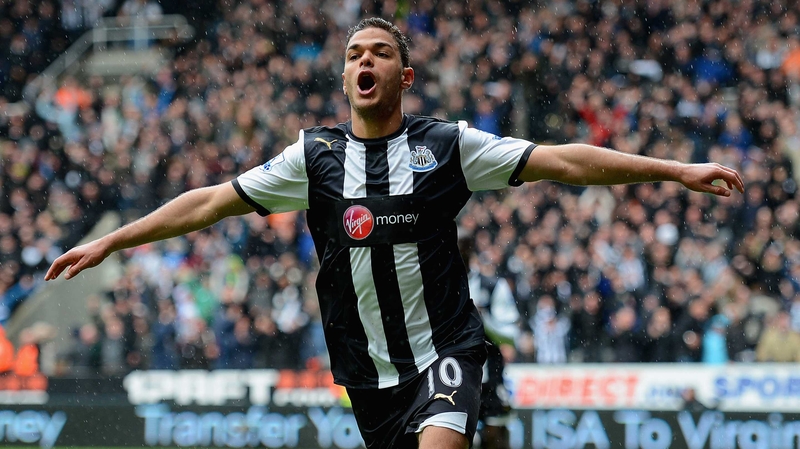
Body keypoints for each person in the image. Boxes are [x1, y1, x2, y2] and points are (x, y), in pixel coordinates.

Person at [45, 17, 744, 449]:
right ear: (345, 75)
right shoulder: (312, 158)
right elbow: (207, 204)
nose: (364, 62)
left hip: (446, 350)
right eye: (354, 54)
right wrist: (113, 240)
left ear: (403, 75)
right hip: (368, 376)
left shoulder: (447, 146)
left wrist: (673, 169)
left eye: (378, 53)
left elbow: (565, 160)